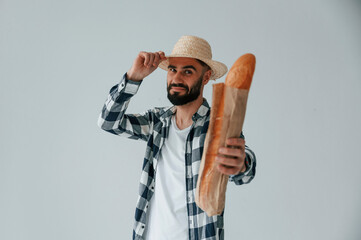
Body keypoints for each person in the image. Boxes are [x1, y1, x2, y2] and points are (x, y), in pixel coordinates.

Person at [97, 35, 256, 240]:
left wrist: (241, 164)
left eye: (188, 71)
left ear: (206, 78)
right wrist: (133, 77)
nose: (177, 79)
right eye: (173, 70)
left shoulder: (218, 126)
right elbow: (108, 121)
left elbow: (244, 170)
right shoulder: (157, 122)